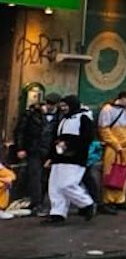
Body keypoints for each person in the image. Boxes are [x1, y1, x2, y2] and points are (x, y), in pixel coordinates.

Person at [44, 96, 96, 224]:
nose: (63, 108)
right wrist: (51, 157)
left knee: (67, 184)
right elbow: (55, 139)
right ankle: (58, 213)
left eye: (65, 105)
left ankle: (86, 203)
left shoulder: (83, 118)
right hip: (59, 158)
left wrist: (70, 146)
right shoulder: (63, 119)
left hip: (74, 158)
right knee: (55, 186)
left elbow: (87, 138)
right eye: (62, 106)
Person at [8, 94, 53, 214]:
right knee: (35, 176)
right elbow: (20, 131)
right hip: (34, 149)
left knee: (45, 178)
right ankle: (36, 203)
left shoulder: (57, 116)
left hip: (48, 151)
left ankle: (41, 202)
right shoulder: (31, 114)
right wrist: (20, 148)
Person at [96, 92, 126, 206]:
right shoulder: (107, 109)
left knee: (122, 173)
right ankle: (108, 199)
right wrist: (115, 144)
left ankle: (120, 199)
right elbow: (104, 130)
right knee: (110, 172)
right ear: (122, 98)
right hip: (114, 147)